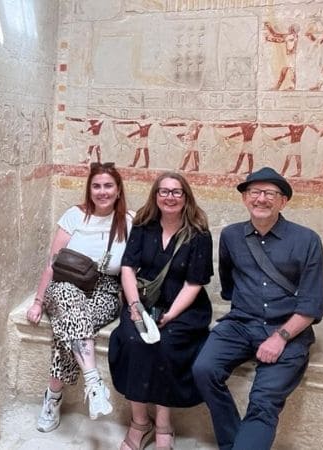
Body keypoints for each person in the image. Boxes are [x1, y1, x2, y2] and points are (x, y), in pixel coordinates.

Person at [192, 167, 323, 450]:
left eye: (270, 193)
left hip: (287, 329)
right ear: (245, 199)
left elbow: (312, 303)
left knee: (263, 400)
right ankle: (234, 444)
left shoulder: (307, 240)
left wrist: (281, 337)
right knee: (204, 369)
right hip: (241, 323)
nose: (261, 199)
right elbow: (229, 284)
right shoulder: (230, 236)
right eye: (254, 192)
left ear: (283, 201)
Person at [25, 162, 133, 432]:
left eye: (108, 186)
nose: (102, 191)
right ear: (89, 190)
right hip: (65, 284)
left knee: (69, 326)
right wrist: (38, 301)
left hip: (105, 290)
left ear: (118, 190)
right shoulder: (74, 215)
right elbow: (53, 262)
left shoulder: (129, 221)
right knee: (68, 302)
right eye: (96, 186)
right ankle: (93, 383)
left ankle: (53, 396)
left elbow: (133, 267)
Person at [109, 172, 213, 450]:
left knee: (165, 346)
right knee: (133, 341)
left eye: (176, 192)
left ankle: (164, 422)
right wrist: (133, 307)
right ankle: (140, 423)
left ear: (186, 197)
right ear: (155, 196)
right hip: (142, 303)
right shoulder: (144, 226)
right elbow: (128, 267)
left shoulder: (199, 234)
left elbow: (194, 283)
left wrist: (170, 315)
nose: (170, 197)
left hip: (183, 308)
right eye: (164, 191)